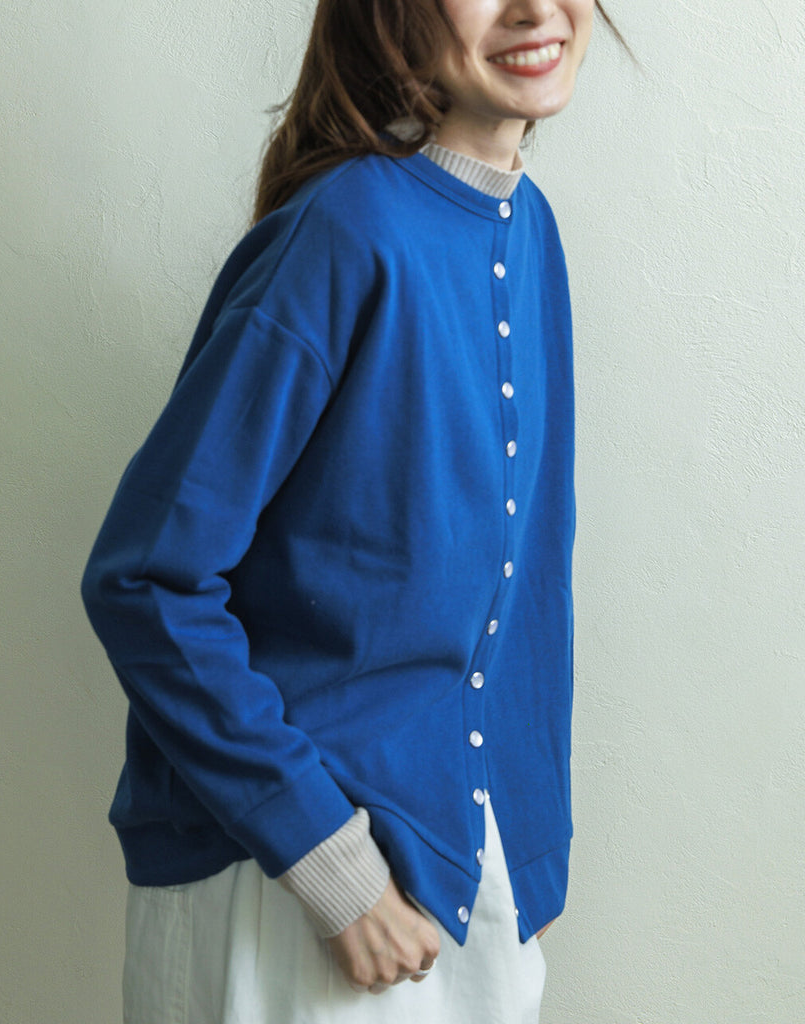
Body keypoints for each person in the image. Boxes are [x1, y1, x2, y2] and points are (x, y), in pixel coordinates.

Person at [83, 1, 625, 1020]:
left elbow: (528, 582)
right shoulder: (347, 230)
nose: (533, 9)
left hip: (465, 872)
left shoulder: (531, 228)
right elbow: (146, 579)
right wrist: (332, 867)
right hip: (298, 883)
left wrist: (528, 854)